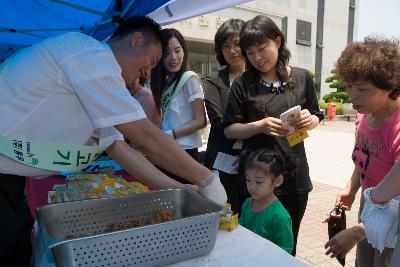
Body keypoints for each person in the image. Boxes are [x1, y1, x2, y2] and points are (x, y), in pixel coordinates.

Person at [0, 16, 226, 266]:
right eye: (149, 63)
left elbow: (118, 147)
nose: (146, 74)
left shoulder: (94, 78)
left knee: (17, 245)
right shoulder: (89, 54)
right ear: (136, 40)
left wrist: (177, 189)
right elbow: (145, 135)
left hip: (9, 175)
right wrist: (206, 178)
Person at [223, 15, 323, 256]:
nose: (257, 57)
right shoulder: (243, 83)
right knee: (250, 243)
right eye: (250, 52)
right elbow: (229, 129)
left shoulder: (301, 78)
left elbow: (317, 115)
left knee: (287, 246)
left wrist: (310, 121)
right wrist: (259, 126)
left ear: (277, 41)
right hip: (256, 178)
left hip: (293, 177)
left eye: (262, 48)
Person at [324, 37, 400, 266]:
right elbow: (364, 158)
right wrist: (352, 186)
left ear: (389, 86)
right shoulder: (363, 115)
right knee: (363, 261)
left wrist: (359, 230)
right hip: (370, 204)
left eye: (362, 89)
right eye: (349, 85)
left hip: (392, 213)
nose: (352, 95)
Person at [151, 28, 207, 183]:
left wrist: (171, 135)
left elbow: (200, 120)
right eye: (167, 53)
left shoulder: (189, 79)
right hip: (166, 149)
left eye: (177, 50)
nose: (173, 57)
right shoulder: (165, 81)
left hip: (186, 151)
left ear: (184, 51)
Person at [204, 18, 245, 213]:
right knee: (222, 212)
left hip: (252, 159)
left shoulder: (259, 78)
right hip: (221, 157)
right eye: (225, 46)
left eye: (237, 44)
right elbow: (218, 122)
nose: (232, 50)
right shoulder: (213, 80)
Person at [238, 149, 294, 254]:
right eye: (248, 180)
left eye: (258, 182)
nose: (252, 187)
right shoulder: (247, 203)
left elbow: (286, 249)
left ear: (277, 181)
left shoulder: (280, 216)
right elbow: (241, 228)